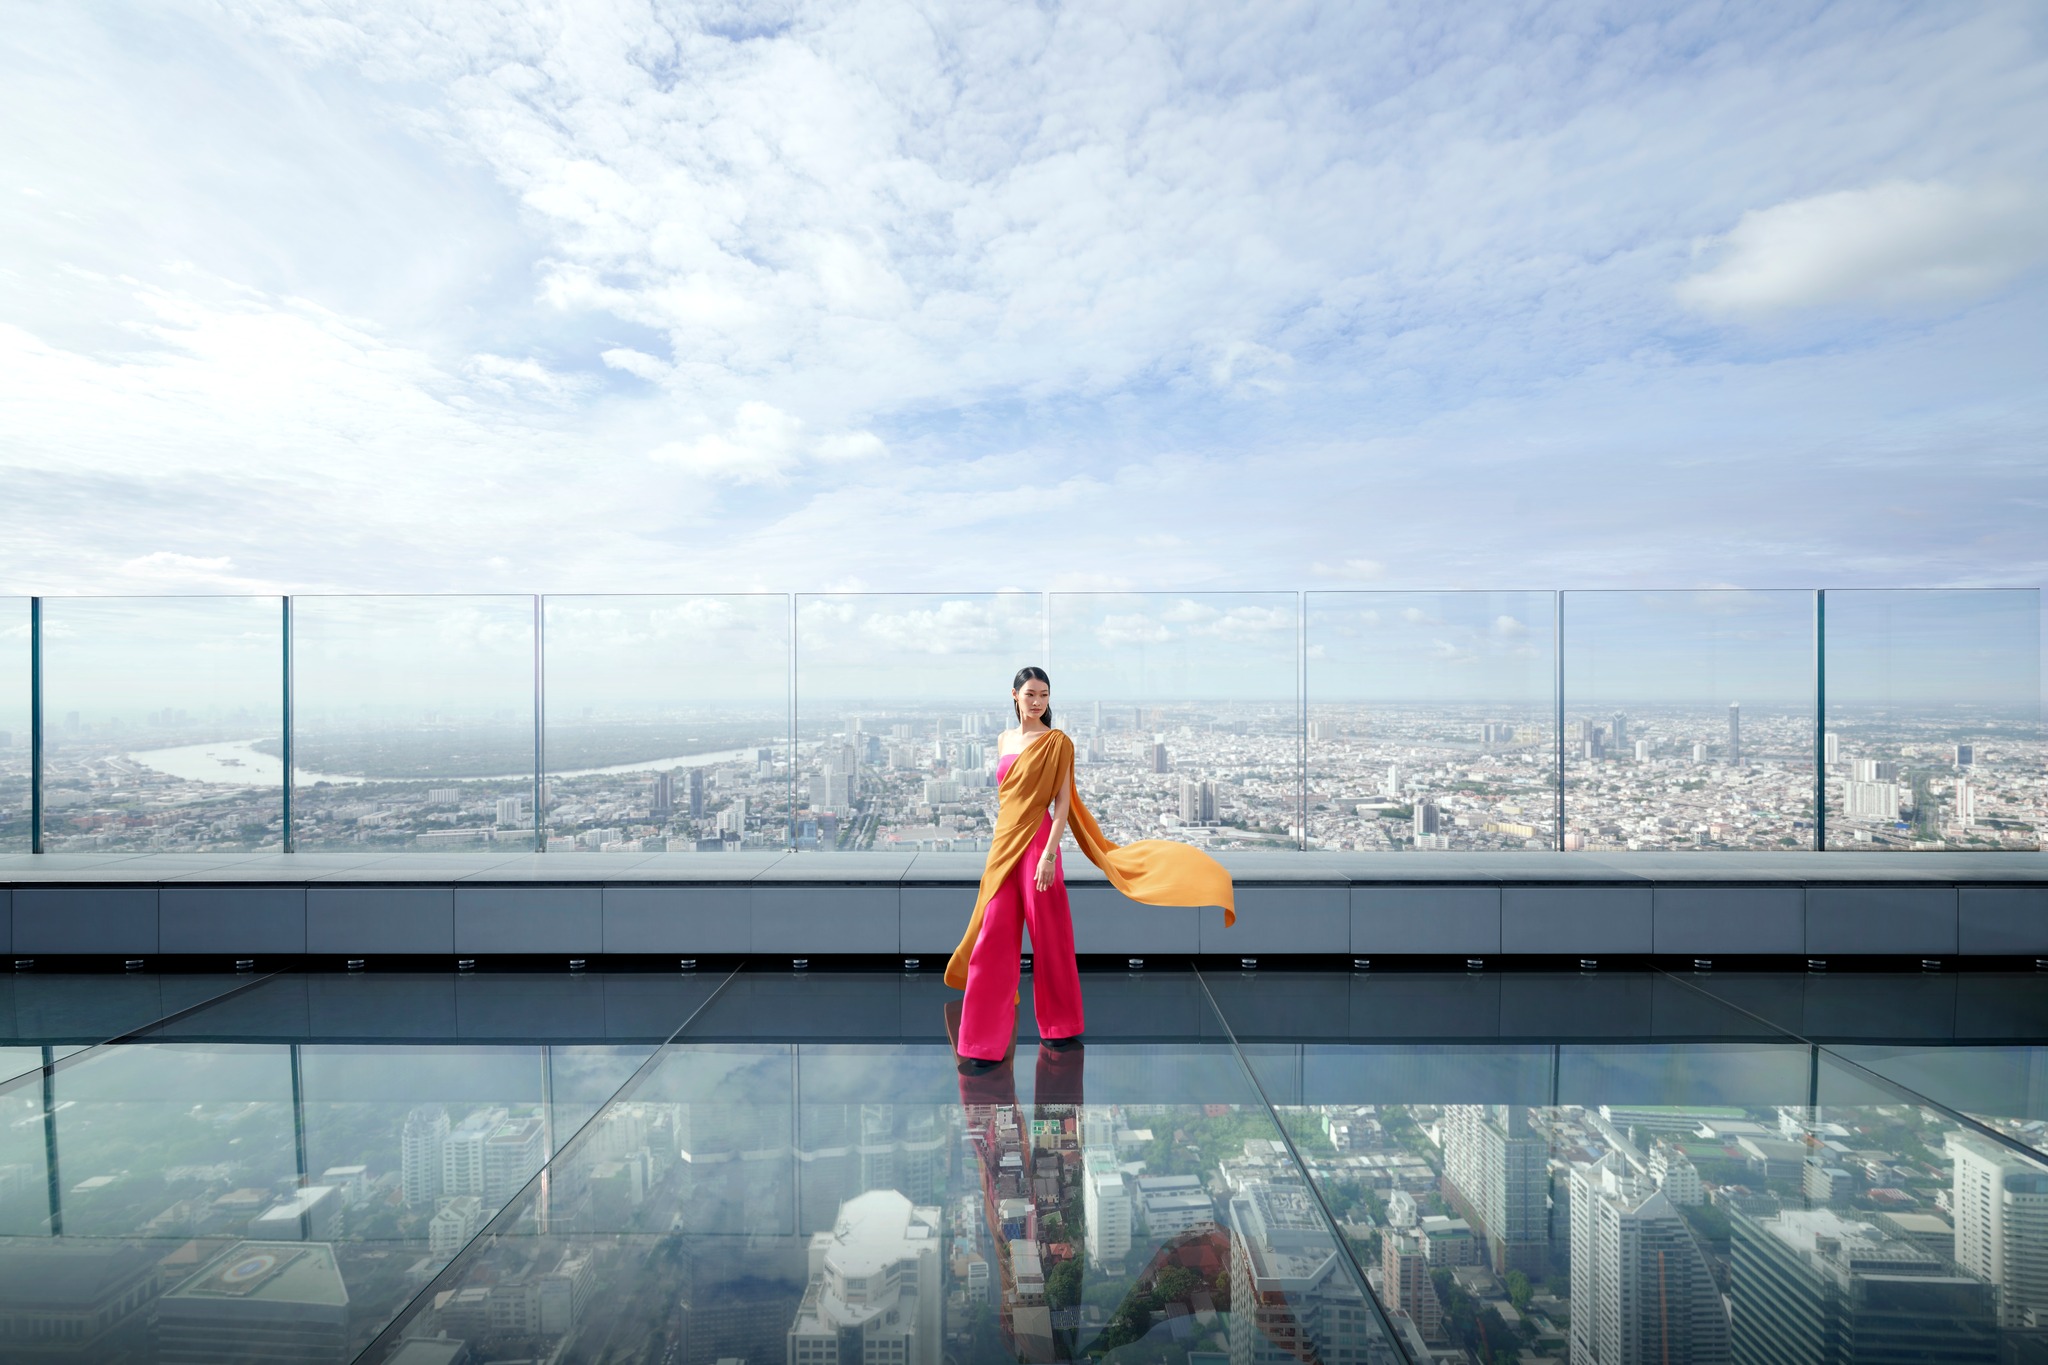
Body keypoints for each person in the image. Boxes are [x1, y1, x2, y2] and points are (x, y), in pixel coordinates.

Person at [947, 666, 1235, 1072]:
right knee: (991, 937)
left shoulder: (1057, 742)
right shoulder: (1003, 739)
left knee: (1050, 936)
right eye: (1030, 694)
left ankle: (1060, 1024)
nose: (1037, 702)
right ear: (1014, 695)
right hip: (1002, 845)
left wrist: (1049, 855)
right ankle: (979, 1041)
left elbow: (1062, 804)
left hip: (1039, 845)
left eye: (1044, 695)